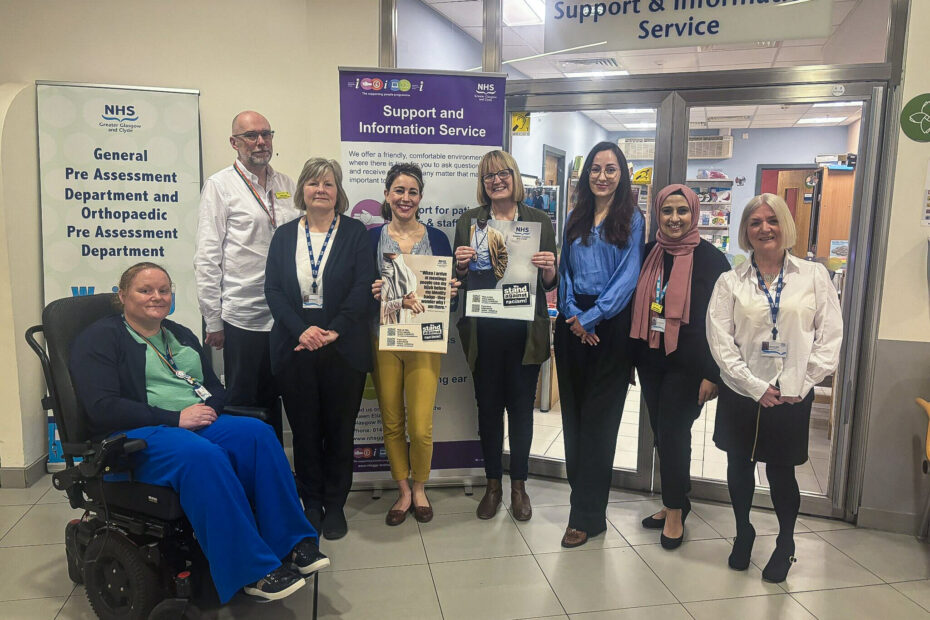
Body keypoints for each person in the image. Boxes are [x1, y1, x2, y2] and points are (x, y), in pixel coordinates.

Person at [68, 263, 329, 604]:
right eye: (145, 290)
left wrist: (209, 412)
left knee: (257, 434)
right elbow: (102, 406)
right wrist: (175, 418)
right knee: (202, 456)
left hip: (193, 422)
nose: (157, 297)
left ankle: (291, 542)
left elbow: (212, 387)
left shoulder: (178, 334)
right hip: (137, 432)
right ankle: (250, 571)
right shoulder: (100, 338)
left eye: (164, 290)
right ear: (122, 295)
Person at [707, 193, 843, 582]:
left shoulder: (815, 276)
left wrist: (802, 381)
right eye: (755, 222)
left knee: (782, 473)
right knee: (738, 465)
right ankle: (743, 531)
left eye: (772, 220)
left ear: (786, 225)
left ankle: (786, 543)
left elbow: (830, 335)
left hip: (791, 394)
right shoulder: (729, 282)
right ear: (745, 232)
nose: (764, 228)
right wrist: (753, 385)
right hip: (742, 391)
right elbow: (720, 340)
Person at [265, 158, 374, 540]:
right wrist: (303, 330)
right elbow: (274, 292)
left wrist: (334, 330)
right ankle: (311, 502)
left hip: (343, 347)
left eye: (328, 183)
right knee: (306, 430)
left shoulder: (356, 233)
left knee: (341, 430)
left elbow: (364, 287)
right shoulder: (283, 235)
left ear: (338, 191)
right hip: (297, 347)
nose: (320, 190)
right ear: (302, 191)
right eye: (312, 183)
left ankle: (336, 504)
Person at [453, 150, 557, 522]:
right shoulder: (469, 221)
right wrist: (461, 265)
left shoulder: (538, 220)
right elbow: (458, 280)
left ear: (514, 176)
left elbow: (550, 283)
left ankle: (519, 485)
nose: (496, 180)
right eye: (488, 176)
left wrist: (549, 269)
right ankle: (493, 484)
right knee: (489, 410)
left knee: (521, 413)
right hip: (484, 332)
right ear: (482, 185)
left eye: (502, 173)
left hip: (523, 333)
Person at [631, 184, 731, 549]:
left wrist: (713, 373)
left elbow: (723, 322)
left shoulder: (712, 260)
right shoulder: (647, 254)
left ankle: (674, 510)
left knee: (674, 434)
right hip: (651, 359)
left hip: (690, 365)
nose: (674, 219)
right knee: (662, 433)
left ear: (694, 214)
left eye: (682, 211)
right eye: (667, 211)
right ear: (657, 215)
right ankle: (677, 499)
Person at [556, 141, 644, 548]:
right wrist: (573, 314)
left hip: (610, 327)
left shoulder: (633, 218)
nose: (602, 176)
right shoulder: (576, 216)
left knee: (599, 424)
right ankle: (585, 506)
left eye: (610, 169)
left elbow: (629, 277)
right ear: (586, 174)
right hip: (573, 325)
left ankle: (585, 516)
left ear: (621, 175)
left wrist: (592, 317)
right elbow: (565, 269)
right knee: (573, 421)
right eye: (595, 168)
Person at [194, 111, 300, 442]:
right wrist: (213, 320)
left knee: (286, 401)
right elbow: (208, 256)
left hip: (286, 316)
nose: (260, 142)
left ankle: (277, 479)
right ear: (234, 143)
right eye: (251, 136)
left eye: (266, 134)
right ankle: (248, 484)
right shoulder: (220, 185)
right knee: (247, 407)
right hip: (244, 317)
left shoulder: (286, 184)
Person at [369, 162, 457, 526]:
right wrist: (372, 291)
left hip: (424, 340)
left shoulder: (437, 238)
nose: (405, 198)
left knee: (420, 426)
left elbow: (443, 293)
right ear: (387, 195)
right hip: (384, 339)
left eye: (412, 192)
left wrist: (451, 290)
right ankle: (404, 491)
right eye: (399, 191)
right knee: (392, 420)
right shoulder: (370, 236)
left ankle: (421, 486)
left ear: (421, 197)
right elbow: (359, 285)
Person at [380, 252, 423, 325]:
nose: (393, 249)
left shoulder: (410, 276)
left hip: (403, 331)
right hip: (380, 332)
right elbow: (371, 311)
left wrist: (412, 301)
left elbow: (410, 315)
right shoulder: (374, 271)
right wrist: (401, 303)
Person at [468, 217, 509, 287]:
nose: (482, 216)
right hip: (471, 276)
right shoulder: (468, 231)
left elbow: (503, 256)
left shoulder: (497, 234)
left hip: (489, 276)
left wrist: (497, 276)